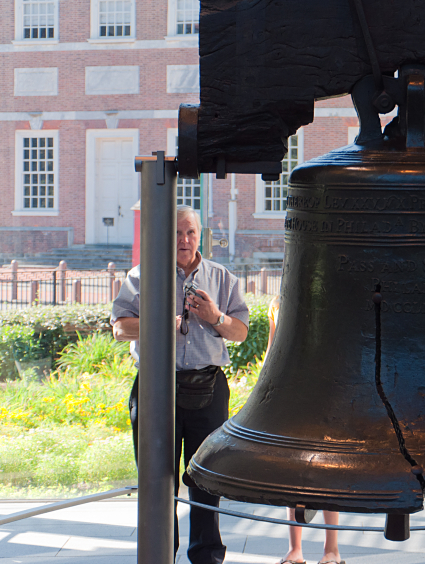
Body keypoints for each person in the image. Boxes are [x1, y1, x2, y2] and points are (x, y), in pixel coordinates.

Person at [112, 205, 249, 564]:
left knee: (206, 476)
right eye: (176, 233)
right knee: (158, 480)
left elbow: (241, 333)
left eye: (190, 232)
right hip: (156, 387)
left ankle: (207, 556)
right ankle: (160, 554)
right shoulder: (143, 277)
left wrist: (214, 316)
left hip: (209, 387)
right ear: (165, 236)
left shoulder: (222, 277)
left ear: (200, 235)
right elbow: (120, 328)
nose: (184, 240)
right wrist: (158, 322)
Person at [266, 295, 345, 564]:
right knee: (293, 474)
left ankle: (331, 550)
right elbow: (271, 352)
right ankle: (295, 550)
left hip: (326, 395)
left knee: (328, 472)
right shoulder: (278, 304)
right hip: (292, 398)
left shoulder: (333, 304)